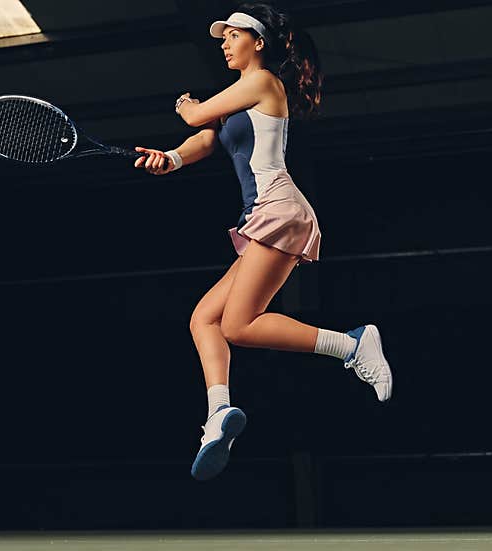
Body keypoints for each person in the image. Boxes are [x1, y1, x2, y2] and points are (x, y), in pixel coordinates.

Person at [134, 4, 393, 481]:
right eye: (223, 38)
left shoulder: (262, 82)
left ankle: (352, 345)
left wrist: (186, 107)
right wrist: (168, 158)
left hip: (278, 210)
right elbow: (208, 140)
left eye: (232, 36)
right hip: (262, 216)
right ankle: (218, 416)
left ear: (258, 43)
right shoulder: (242, 95)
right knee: (204, 319)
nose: (224, 43)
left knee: (237, 324)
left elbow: (197, 118)